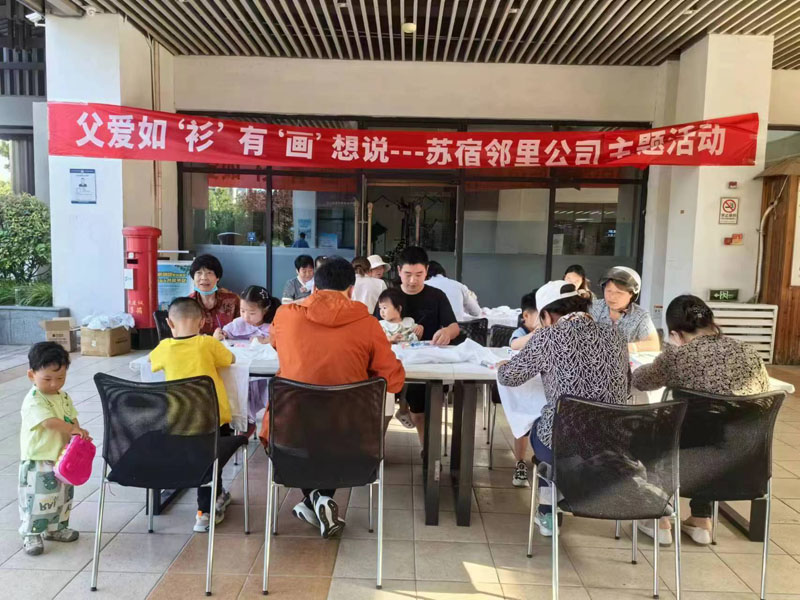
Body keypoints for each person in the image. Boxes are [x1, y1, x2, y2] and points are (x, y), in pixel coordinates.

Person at [260, 256, 405, 538]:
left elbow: (277, 343)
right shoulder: (368, 324)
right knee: (333, 432)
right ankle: (320, 498)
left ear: (314, 288)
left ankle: (315, 499)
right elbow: (393, 380)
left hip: (288, 431)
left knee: (308, 433)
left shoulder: (285, 316)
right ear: (351, 290)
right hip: (349, 436)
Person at [632, 295, 769, 546]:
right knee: (713, 426)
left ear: (675, 334)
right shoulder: (749, 352)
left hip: (688, 458)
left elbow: (641, 380)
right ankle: (701, 519)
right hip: (745, 457)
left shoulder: (678, 356)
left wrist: (670, 350)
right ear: (711, 322)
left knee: (648, 430)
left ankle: (660, 518)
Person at [497, 280, 629, 536]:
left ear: (547, 315)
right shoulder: (616, 335)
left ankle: (547, 511)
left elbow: (510, 377)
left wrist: (503, 366)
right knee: (556, 425)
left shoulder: (548, 336)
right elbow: (626, 384)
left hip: (564, 443)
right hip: (612, 442)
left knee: (542, 427)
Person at [150, 297, 236, 533]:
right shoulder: (207, 343)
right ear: (202, 322)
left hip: (180, 421)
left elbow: (151, 362)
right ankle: (205, 511)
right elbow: (231, 359)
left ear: (169, 323)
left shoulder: (164, 347)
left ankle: (217, 496)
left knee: (202, 459)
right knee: (211, 459)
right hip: (213, 418)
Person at [373, 247, 461, 445]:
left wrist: (447, 333)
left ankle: (427, 452)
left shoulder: (436, 296)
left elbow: (454, 326)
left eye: (419, 275)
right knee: (382, 409)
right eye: (408, 274)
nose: (413, 280)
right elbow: (373, 329)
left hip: (424, 365)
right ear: (399, 271)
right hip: (390, 364)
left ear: (427, 270)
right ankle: (376, 452)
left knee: (421, 410)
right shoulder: (389, 296)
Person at [18, 342, 91, 556]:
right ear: (31, 375)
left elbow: (71, 417)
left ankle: (56, 528)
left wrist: (78, 431)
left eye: (60, 378)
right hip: (39, 458)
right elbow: (48, 422)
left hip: (62, 457)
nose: (54, 384)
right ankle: (31, 533)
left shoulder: (63, 396)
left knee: (61, 496)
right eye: (47, 379)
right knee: (39, 498)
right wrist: (72, 429)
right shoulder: (34, 399)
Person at [214, 285, 279, 434]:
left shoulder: (273, 325)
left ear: (265, 310)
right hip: (243, 368)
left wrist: (268, 340)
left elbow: (283, 339)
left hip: (264, 371)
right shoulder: (239, 323)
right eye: (242, 311)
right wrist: (219, 333)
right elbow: (224, 333)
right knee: (240, 389)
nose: (246, 317)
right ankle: (247, 422)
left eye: (252, 313)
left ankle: (269, 422)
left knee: (269, 392)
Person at [589, 266, 660, 353]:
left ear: (632, 294)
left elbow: (654, 344)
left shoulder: (640, 315)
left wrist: (624, 347)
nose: (612, 297)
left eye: (619, 293)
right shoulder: (594, 307)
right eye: (608, 291)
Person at [188, 254, 240, 335]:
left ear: (217, 277)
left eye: (209, 273)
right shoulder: (188, 303)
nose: (204, 277)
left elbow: (244, 328)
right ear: (193, 277)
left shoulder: (233, 300)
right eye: (199, 273)